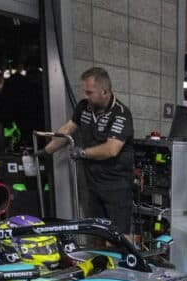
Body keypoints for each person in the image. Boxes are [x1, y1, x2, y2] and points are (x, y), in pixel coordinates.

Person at [39, 67, 135, 236]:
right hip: (94, 186)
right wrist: (45, 152)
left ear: (104, 91)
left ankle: (119, 262)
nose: (86, 96)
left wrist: (82, 153)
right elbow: (68, 129)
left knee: (118, 238)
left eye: (89, 92)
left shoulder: (121, 114)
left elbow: (112, 149)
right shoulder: (84, 107)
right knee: (96, 234)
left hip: (117, 188)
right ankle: (100, 263)